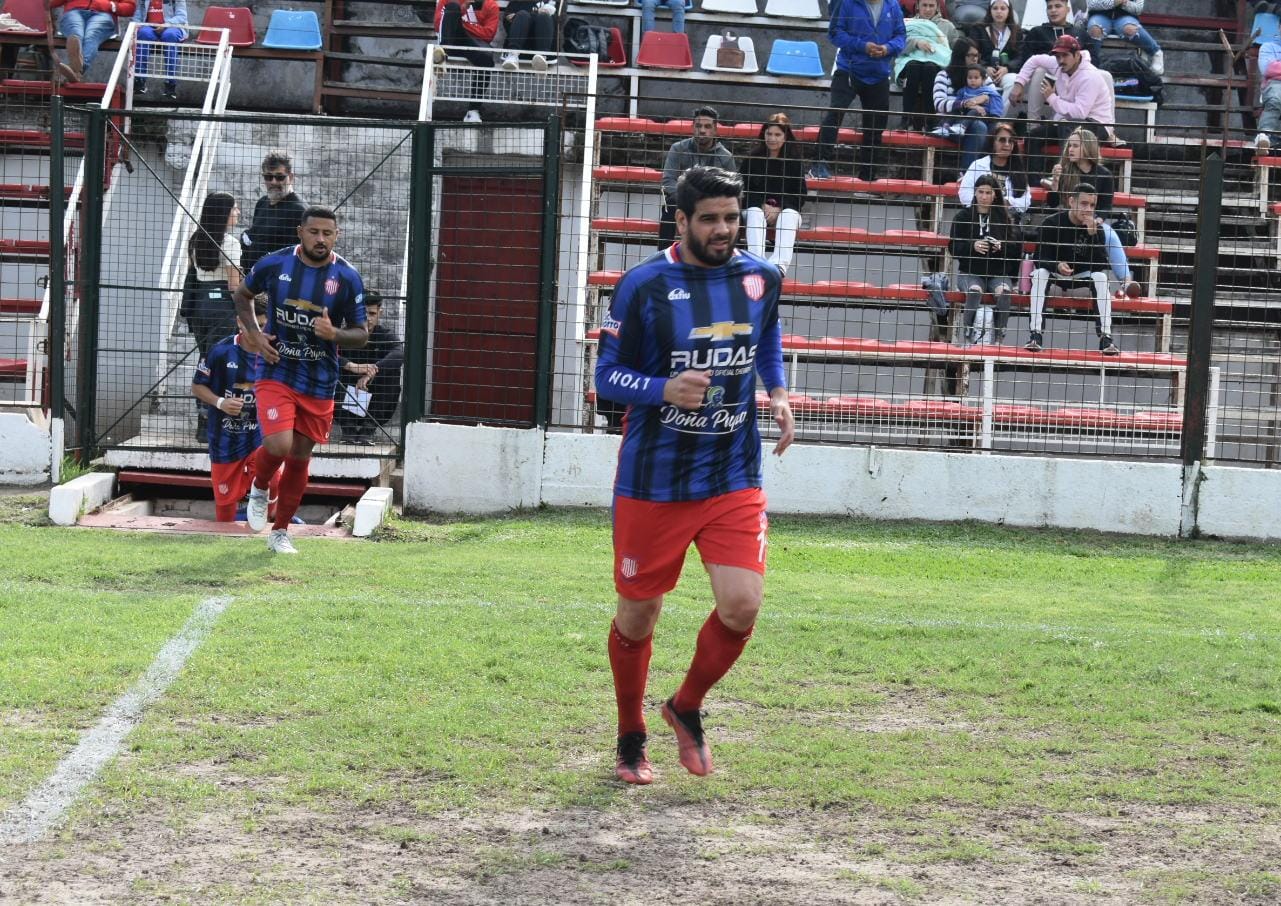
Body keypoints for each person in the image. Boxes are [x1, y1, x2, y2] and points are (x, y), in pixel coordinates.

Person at [594, 166, 795, 785]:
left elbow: (764, 338)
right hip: (654, 480)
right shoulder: (644, 285)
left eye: (731, 218)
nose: (722, 230)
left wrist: (779, 391)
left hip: (732, 472)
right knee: (638, 619)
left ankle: (685, 706)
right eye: (708, 219)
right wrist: (661, 388)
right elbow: (606, 377)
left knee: (742, 605)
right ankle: (632, 734)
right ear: (680, 221)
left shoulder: (762, 277)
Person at [233, 206, 369, 554]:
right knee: (278, 445)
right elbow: (241, 295)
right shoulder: (275, 264)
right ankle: (261, 485)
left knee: (300, 455)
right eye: (314, 232)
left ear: (336, 236)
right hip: (277, 368)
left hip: (320, 379)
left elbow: (361, 335)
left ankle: (280, 532)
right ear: (300, 232)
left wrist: (333, 332)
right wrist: (255, 333)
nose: (320, 239)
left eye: (328, 233)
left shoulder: (347, 277)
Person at [191, 297, 281, 522]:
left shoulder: (275, 352)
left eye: (264, 325)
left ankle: (270, 522)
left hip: (261, 436)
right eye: (254, 326)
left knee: (272, 480)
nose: (260, 332)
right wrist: (221, 402)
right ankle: (224, 535)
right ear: (240, 322)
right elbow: (197, 385)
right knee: (225, 507)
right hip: (225, 438)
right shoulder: (220, 351)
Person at [809, 0, 906, 182]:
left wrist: (887, 48)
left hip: (879, 73)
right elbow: (835, 33)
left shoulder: (892, 5)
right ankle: (819, 163)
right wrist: (862, 45)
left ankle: (868, 174)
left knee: (875, 126)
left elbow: (901, 36)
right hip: (849, 69)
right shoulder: (847, 3)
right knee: (835, 112)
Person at [1027, 183, 1121, 355]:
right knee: (1039, 274)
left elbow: (1100, 265)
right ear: (1071, 201)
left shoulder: (1096, 229)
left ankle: (1106, 339)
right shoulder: (1051, 222)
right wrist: (1056, 265)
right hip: (1054, 281)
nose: (1088, 209)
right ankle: (1035, 335)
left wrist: (1093, 237)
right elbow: (1039, 258)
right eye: (1084, 204)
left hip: (1080, 283)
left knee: (1101, 278)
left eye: (1092, 205)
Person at [1012, 34, 1114, 171]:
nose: (1060, 60)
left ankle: (1064, 176)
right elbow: (1034, 60)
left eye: (1065, 56)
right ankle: (1034, 184)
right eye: (1058, 56)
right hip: (1067, 123)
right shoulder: (1058, 64)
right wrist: (1019, 83)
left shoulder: (1090, 76)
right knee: (1033, 136)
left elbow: (1080, 113)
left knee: (1066, 126)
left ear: (1077, 55)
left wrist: (1052, 98)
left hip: (1098, 124)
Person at [948, 174, 1020, 344]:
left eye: (988, 192)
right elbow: (953, 247)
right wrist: (973, 246)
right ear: (975, 192)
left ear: (995, 194)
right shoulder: (963, 217)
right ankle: (967, 333)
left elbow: (1017, 248)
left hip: (998, 273)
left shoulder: (1005, 218)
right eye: (981, 192)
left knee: (1004, 293)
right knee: (974, 291)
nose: (984, 196)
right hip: (970, 271)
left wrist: (1001, 246)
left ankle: (999, 336)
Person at [739, 113, 807, 278]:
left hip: (784, 211)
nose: (772, 138)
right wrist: (762, 205)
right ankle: (757, 263)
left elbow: (800, 194)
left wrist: (780, 208)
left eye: (777, 134)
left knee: (789, 215)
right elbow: (742, 190)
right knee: (754, 212)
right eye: (769, 134)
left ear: (785, 137)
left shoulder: (794, 162)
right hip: (756, 209)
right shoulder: (752, 159)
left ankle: (779, 266)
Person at [658, 107, 736, 247]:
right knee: (669, 206)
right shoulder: (678, 149)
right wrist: (690, 198)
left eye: (707, 126)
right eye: (698, 126)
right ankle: (663, 257)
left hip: (713, 206)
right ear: (693, 127)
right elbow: (668, 180)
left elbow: (731, 191)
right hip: (683, 202)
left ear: (715, 129)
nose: (702, 130)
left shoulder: (725, 157)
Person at [334, 291, 403, 444]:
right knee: (331, 369)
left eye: (372, 313)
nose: (368, 318)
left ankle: (367, 430)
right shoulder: (345, 334)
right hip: (347, 402)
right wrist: (352, 366)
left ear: (380, 312)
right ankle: (348, 430)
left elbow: (399, 354)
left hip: (375, 404)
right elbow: (325, 353)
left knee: (392, 372)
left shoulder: (385, 335)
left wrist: (371, 372)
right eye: (363, 313)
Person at [1010, 0, 1086, 123]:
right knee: (1041, 70)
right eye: (1049, 7)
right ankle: (1032, 124)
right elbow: (1026, 60)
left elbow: (1091, 60)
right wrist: (1019, 84)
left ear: (1067, 10)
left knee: (1104, 75)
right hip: (1044, 80)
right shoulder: (1036, 32)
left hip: (1073, 79)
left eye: (1057, 6)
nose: (1053, 10)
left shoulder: (1079, 33)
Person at [932, 39, 997, 173]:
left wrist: (980, 103)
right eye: (970, 55)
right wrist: (965, 104)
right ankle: (968, 174)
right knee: (979, 127)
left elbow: (995, 100)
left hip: (977, 122)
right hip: (949, 123)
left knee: (985, 126)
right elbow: (939, 104)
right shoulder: (944, 76)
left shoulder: (983, 77)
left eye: (976, 55)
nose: (974, 59)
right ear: (960, 55)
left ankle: (976, 175)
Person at [240, 150, 307, 273]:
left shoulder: (299, 210)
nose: (273, 182)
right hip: (254, 281)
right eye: (268, 177)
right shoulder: (261, 203)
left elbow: (301, 255)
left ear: (291, 177)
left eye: (280, 177)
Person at [432, 0, 500, 121]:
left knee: (487, 60)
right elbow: (438, 24)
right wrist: (461, 8)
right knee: (453, 7)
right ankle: (443, 54)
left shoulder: (490, 4)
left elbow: (488, 35)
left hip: (472, 43)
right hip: (451, 39)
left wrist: (461, 23)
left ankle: (473, 110)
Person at [894, 0, 956, 132]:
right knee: (914, 66)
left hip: (936, 65)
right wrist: (916, 43)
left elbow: (953, 51)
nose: (927, 9)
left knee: (929, 67)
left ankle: (930, 121)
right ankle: (906, 119)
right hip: (910, 63)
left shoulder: (948, 27)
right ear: (918, 6)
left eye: (931, 6)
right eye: (924, 5)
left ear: (937, 7)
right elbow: (897, 45)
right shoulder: (907, 23)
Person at [958, 120, 1032, 219]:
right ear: (993, 143)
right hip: (978, 217)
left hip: (1007, 220)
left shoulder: (1018, 169)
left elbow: (1026, 200)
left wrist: (1008, 201)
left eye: (1010, 141)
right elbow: (964, 194)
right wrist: (986, 204)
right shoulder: (978, 165)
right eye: (1002, 140)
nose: (1007, 144)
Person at [51, 0, 136, 83]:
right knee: (76, 32)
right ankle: (76, 72)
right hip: (74, 11)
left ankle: (75, 70)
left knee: (92, 35)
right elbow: (50, 3)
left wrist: (111, 5)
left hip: (103, 14)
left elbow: (130, 8)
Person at [1085, 0, 1163, 75]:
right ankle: (1090, 63)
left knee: (1130, 29)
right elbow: (1091, 4)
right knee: (1095, 29)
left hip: (1125, 17)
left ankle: (1156, 53)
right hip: (1100, 16)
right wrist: (1113, 2)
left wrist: (1124, 3)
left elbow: (1138, 9)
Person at [966, 0, 1022, 105]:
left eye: (1003, 8)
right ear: (990, 10)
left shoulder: (1016, 30)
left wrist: (1007, 68)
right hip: (981, 73)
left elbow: (1020, 57)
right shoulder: (978, 28)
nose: (999, 12)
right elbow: (971, 53)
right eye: (995, 8)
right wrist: (984, 68)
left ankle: (999, 118)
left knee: (1013, 80)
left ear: (1009, 11)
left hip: (1005, 73)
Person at [131, 0, 187, 100]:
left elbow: (182, 16)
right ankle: (139, 80)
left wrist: (167, 24)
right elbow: (138, 15)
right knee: (143, 33)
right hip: (150, 27)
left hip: (172, 27)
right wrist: (134, 26)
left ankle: (170, 83)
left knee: (170, 35)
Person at [939, 63, 1005, 141]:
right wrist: (971, 105)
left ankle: (962, 128)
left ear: (983, 79)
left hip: (983, 114)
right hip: (965, 112)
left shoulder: (987, 91)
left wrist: (993, 116)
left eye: (976, 78)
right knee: (955, 111)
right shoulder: (963, 91)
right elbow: (959, 103)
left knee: (974, 111)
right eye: (970, 78)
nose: (972, 80)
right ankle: (945, 127)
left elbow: (992, 105)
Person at [500, 0, 556, 71]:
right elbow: (507, 21)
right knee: (522, 15)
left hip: (543, 44)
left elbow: (557, 22)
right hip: (520, 43)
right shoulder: (516, 2)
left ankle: (542, 56)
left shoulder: (552, 1)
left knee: (544, 16)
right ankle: (513, 55)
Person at [1255, 28, 1281, 154]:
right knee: (1275, 98)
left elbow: (1275, 68)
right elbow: (1268, 69)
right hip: (1274, 86)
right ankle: (1264, 136)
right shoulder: (1268, 47)